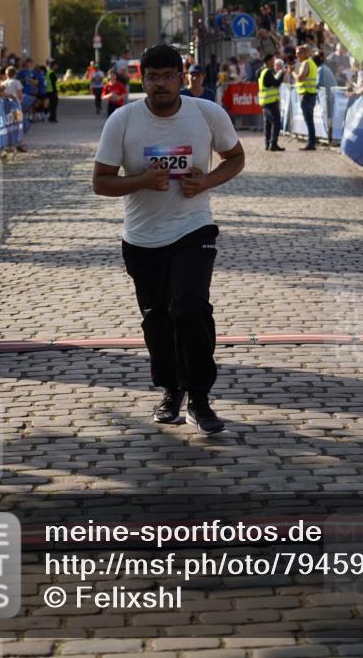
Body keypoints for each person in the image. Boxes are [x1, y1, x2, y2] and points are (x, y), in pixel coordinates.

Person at [93, 44, 244, 435]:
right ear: (141, 79)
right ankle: (171, 390)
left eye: (168, 75)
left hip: (194, 228)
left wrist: (207, 181)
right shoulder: (123, 121)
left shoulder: (207, 113)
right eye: (153, 76)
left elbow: (236, 157)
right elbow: (100, 181)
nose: (160, 84)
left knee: (190, 307)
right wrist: (141, 181)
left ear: (181, 77)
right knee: (157, 320)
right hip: (142, 238)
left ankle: (200, 396)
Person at [257, 53, 286, 152]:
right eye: (273, 60)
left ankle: (267, 143)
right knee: (276, 122)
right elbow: (276, 83)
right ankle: (273, 143)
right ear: (269, 61)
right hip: (270, 101)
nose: (274, 62)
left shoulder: (261, 71)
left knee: (268, 124)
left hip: (265, 101)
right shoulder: (267, 72)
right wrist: (282, 73)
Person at [295, 44, 318, 151]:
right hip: (310, 94)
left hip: (306, 95)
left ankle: (311, 143)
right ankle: (312, 142)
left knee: (309, 120)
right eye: (296, 53)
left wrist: (292, 73)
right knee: (310, 120)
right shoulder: (312, 63)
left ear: (305, 53)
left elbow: (300, 78)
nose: (297, 55)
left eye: (299, 53)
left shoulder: (306, 63)